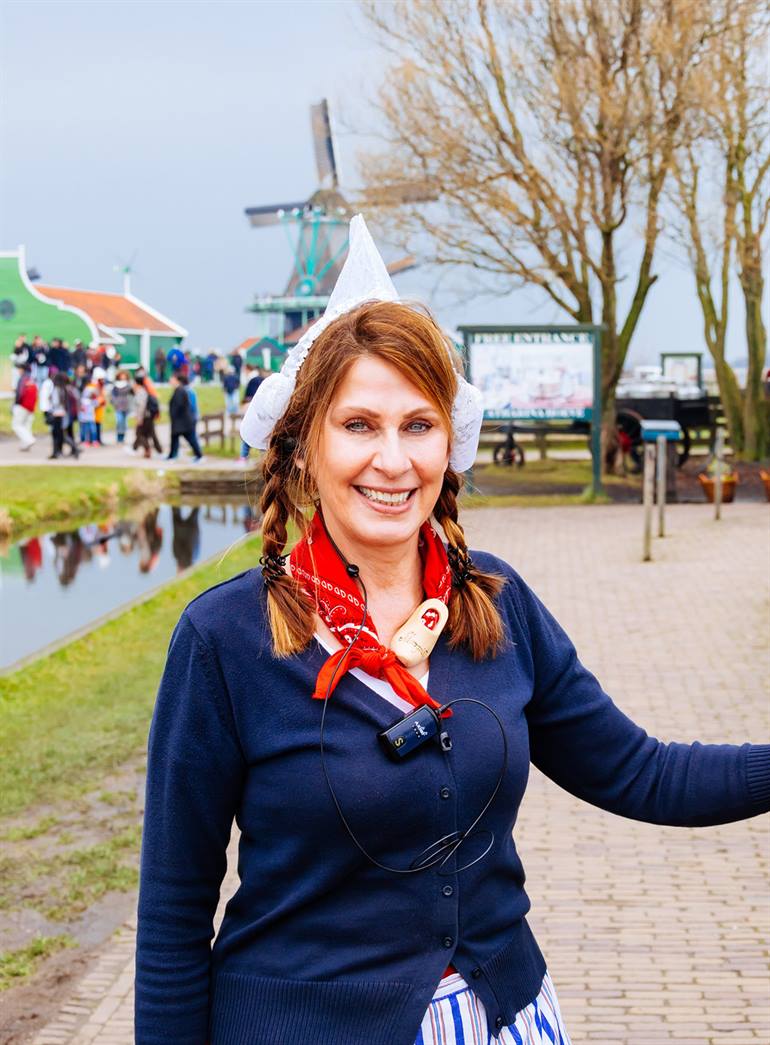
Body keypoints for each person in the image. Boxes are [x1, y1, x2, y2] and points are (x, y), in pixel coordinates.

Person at [135, 217, 769, 1045]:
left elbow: (640, 772)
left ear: (450, 441)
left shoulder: (496, 605)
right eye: (359, 425)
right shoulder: (223, 640)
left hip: (501, 1015)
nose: (393, 460)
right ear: (303, 446)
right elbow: (173, 914)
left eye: (418, 424)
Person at [165, 373, 203, 462]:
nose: (170, 381)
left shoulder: (181, 391)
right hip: (181, 421)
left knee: (190, 438)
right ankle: (172, 456)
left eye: (172, 379)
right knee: (175, 438)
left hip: (183, 421)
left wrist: (173, 414)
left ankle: (199, 456)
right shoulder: (179, 390)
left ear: (177, 380)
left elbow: (180, 406)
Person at [237, 361, 264, 465]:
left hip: (254, 410)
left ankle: (244, 456)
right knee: (258, 433)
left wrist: (245, 402)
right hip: (259, 411)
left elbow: (252, 396)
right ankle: (260, 456)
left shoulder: (254, 380)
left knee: (249, 432)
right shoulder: (259, 378)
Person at [132, 374, 161, 459]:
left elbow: (141, 406)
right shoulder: (147, 390)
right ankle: (158, 450)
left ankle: (148, 449)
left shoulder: (141, 392)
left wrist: (139, 418)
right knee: (151, 434)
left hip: (145, 417)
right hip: (148, 416)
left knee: (139, 434)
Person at [51, 372, 79, 458]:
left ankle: (70, 448)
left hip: (57, 413)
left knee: (58, 435)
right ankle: (69, 449)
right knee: (63, 434)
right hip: (66, 414)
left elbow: (55, 402)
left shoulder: (58, 389)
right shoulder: (67, 389)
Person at [12, 366, 37, 451]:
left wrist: (16, 403)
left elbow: (20, 393)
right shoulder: (31, 379)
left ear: (22, 369)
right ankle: (25, 445)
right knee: (26, 426)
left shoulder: (22, 379)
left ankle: (29, 440)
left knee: (16, 425)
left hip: (22, 406)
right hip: (30, 407)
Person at [111, 370, 133, 443]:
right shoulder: (116, 385)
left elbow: (132, 393)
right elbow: (112, 395)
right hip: (118, 405)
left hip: (126, 405)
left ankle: (122, 437)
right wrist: (115, 403)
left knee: (124, 422)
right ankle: (119, 436)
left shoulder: (128, 385)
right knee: (119, 421)